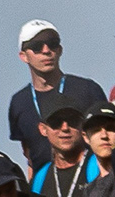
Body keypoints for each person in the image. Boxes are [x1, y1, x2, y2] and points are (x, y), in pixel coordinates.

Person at [8, 20, 74, 158]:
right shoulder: (19, 102)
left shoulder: (87, 89)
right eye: (36, 46)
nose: (46, 51)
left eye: (52, 44)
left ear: (60, 50)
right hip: (44, 171)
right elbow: (28, 154)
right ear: (23, 56)